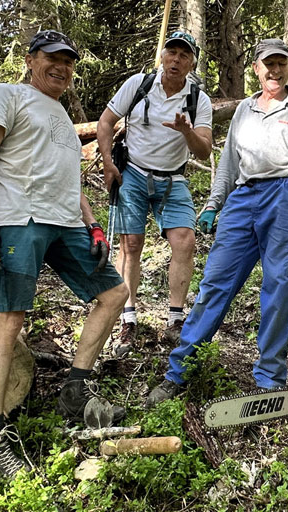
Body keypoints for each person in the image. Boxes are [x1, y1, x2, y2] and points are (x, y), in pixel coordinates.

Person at [146, 37, 288, 407]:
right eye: (267, 64)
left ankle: (269, 380)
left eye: (281, 64)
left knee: (280, 286)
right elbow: (228, 163)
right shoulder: (243, 109)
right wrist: (213, 204)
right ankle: (179, 372)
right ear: (256, 68)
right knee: (215, 283)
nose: (274, 71)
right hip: (243, 199)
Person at [0, 30, 129, 478]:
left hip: (66, 223)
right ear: (32, 60)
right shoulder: (8, 95)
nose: (62, 67)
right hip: (20, 219)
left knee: (114, 293)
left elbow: (70, 183)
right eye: (52, 58)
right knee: (10, 316)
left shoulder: (62, 116)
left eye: (68, 61)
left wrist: (92, 224)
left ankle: (76, 390)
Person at [96, 31, 213, 355]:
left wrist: (187, 130)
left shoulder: (197, 99)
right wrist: (108, 162)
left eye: (184, 55)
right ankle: (128, 318)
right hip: (132, 172)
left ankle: (175, 319)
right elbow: (106, 122)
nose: (176, 60)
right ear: (163, 55)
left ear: (191, 63)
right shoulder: (139, 85)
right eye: (172, 53)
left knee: (185, 241)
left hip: (173, 179)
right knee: (130, 244)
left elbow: (203, 150)